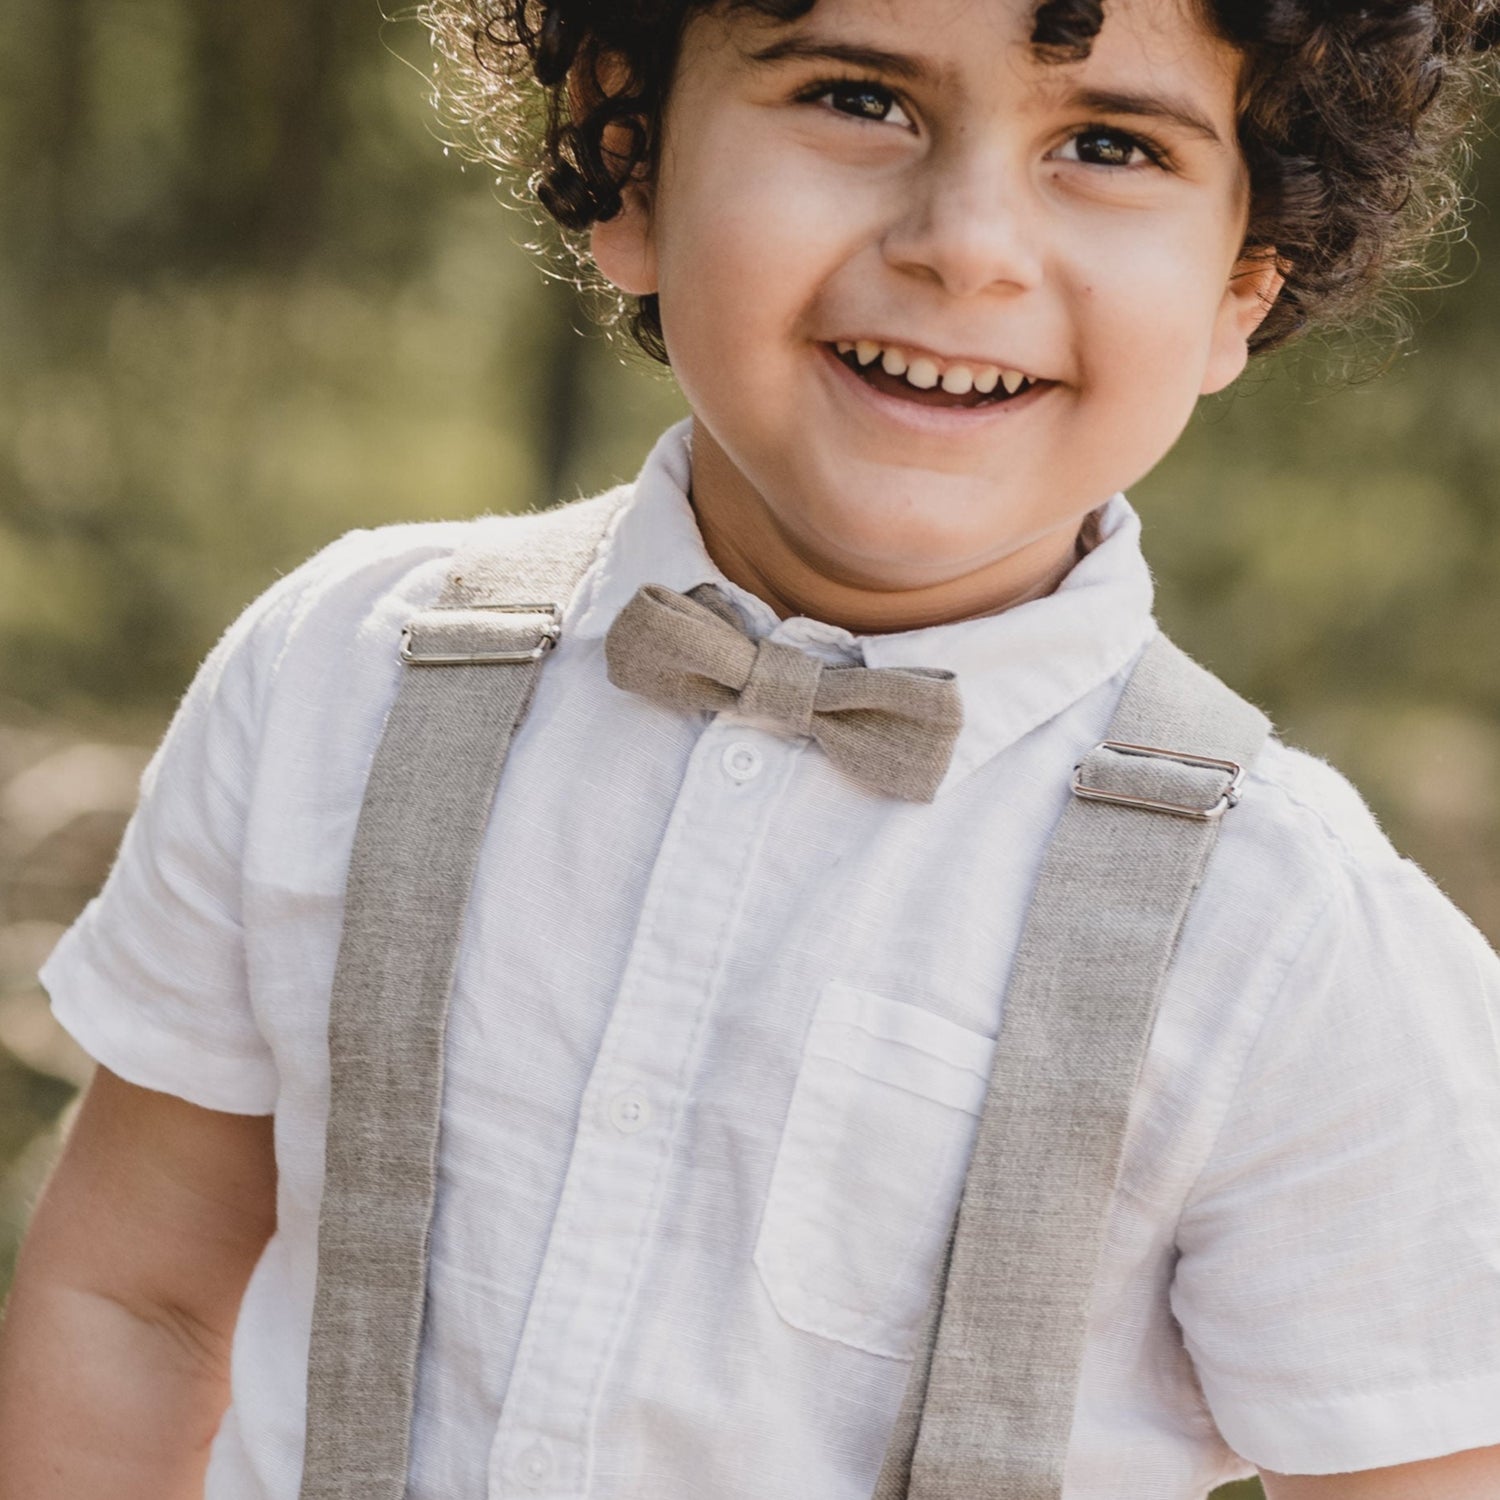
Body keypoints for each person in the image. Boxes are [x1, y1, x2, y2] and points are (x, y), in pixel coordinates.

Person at [2, 0, 1499, 1496]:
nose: (965, 243)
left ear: (1247, 276)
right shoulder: (341, 671)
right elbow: (133, 1296)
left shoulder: (1299, 940)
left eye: (1108, 144)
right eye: (860, 100)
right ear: (632, 155)